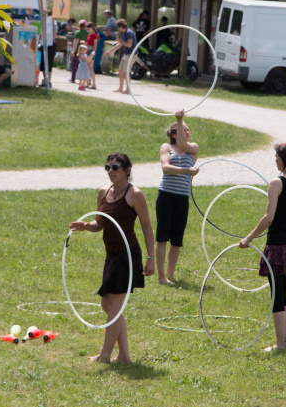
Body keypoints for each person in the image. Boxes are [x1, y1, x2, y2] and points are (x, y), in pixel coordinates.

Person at [69, 153, 155, 363]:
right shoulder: (103, 193)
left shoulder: (135, 194)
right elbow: (100, 224)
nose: (111, 171)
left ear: (127, 170)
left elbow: (146, 226)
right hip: (112, 254)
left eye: (115, 167)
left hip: (128, 254)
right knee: (107, 306)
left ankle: (105, 355)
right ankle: (124, 356)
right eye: (107, 167)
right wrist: (86, 226)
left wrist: (151, 257)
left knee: (114, 306)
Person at [240, 142, 286, 351]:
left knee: (277, 296)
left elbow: (268, 217)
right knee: (282, 294)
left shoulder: (277, 183)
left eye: (276, 156)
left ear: (284, 159)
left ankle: (280, 345)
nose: (275, 160)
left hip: (278, 247)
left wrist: (249, 238)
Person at [156, 109, 199, 284]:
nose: (187, 133)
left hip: (182, 198)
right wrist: (186, 171)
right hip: (165, 195)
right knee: (162, 236)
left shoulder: (193, 148)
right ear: (174, 135)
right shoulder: (166, 147)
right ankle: (161, 276)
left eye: (188, 129)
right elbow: (165, 168)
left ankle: (171, 274)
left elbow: (184, 143)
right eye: (183, 129)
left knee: (177, 239)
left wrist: (180, 120)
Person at [104, 18, 136, 93]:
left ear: (120, 26)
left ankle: (128, 89)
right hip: (127, 54)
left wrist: (120, 41)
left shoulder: (129, 33)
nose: (117, 29)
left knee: (126, 72)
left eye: (117, 27)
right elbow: (120, 44)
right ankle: (120, 88)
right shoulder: (125, 33)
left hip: (131, 54)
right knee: (121, 71)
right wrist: (110, 51)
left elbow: (129, 45)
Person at [38, 11, 58, 86]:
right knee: (43, 63)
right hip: (44, 44)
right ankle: (45, 79)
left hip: (50, 44)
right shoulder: (45, 23)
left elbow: (53, 36)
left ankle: (49, 81)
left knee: (49, 63)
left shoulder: (54, 24)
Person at [70, 19, 88, 83]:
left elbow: (76, 42)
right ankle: (87, 80)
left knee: (74, 65)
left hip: (78, 51)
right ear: (85, 25)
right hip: (85, 51)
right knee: (86, 66)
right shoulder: (88, 32)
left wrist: (73, 50)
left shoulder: (77, 32)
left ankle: (73, 78)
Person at [85, 22, 100, 89]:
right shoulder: (89, 35)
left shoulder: (95, 36)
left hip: (91, 52)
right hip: (87, 50)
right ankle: (87, 83)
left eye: (88, 28)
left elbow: (95, 46)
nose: (87, 29)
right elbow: (88, 43)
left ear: (92, 28)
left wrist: (93, 53)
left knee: (91, 68)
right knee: (87, 68)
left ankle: (94, 84)